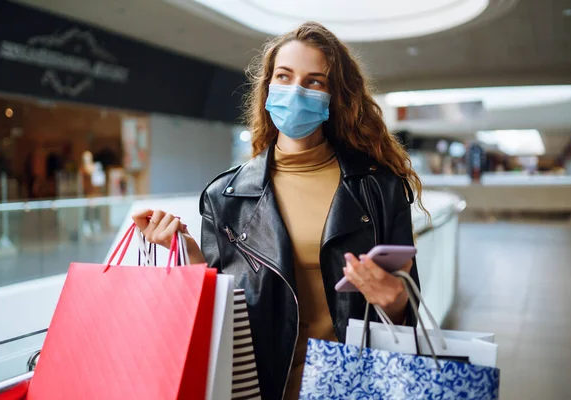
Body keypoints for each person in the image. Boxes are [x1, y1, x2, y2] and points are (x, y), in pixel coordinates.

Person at [133, 21, 425, 400]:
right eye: (284, 77)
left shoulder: (378, 189)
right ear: (268, 87)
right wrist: (185, 250)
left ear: (336, 96)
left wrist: (396, 301)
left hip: (353, 384)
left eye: (314, 81)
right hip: (258, 387)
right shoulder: (226, 195)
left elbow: (410, 303)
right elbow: (220, 306)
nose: (296, 91)